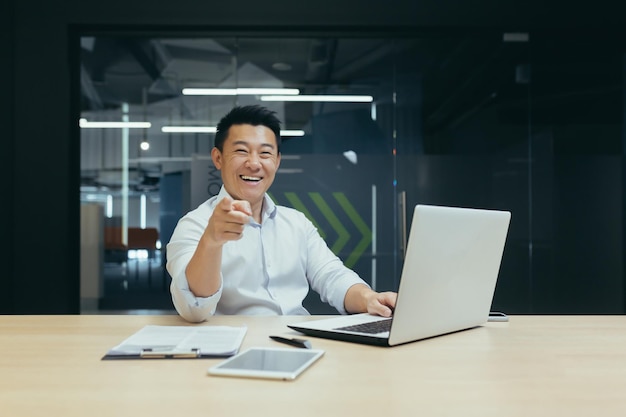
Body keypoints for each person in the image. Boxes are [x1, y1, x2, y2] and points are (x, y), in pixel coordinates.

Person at [166, 105, 397, 322]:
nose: (254, 163)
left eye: (265, 153)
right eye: (241, 151)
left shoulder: (296, 223)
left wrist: (369, 299)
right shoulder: (194, 225)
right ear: (218, 158)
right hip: (235, 349)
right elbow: (194, 308)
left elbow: (331, 275)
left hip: (298, 339)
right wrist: (212, 241)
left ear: (277, 161)